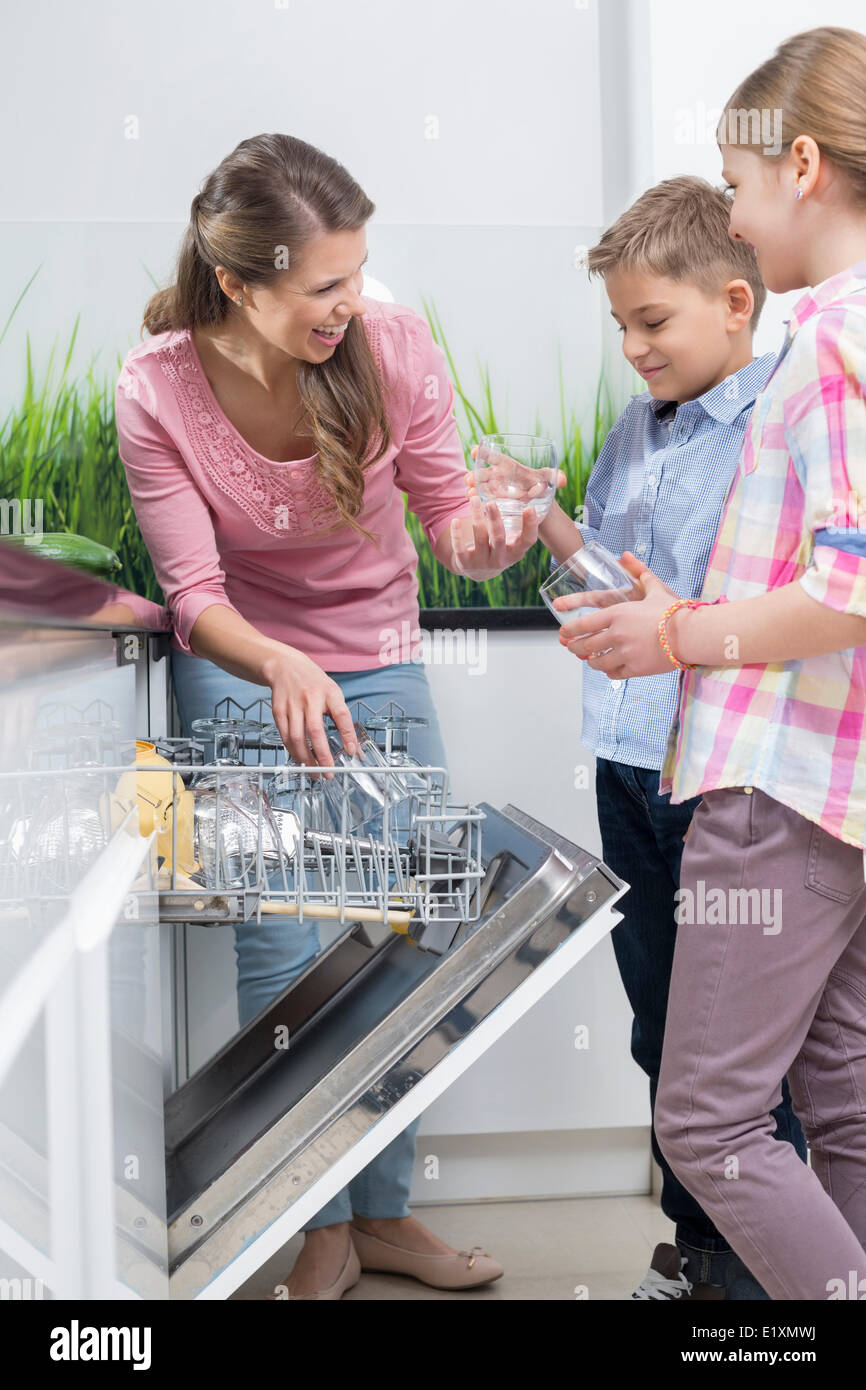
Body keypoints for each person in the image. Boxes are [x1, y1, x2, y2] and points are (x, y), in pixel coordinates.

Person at [114, 132, 534, 1300]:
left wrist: (488, 540)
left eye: (356, 273)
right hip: (247, 666)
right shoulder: (156, 387)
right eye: (321, 287)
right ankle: (315, 1222)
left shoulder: (392, 347)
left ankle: (383, 1213)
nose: (351, 303)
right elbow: (194, 597)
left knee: (414, 924)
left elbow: (450, 520)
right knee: (283, 941)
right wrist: (280, 661)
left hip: (381, 657)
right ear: (238, 285)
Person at [559, 26, 866, 1300]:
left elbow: (851, 584)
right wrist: (682, 609)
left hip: (772, 786)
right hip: (826, 788)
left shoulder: (833, 342)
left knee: (707, 1122)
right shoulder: (830, 335)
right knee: (839, 1099)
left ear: (800, 165)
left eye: (735, 189)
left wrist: (678, 635)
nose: (733, 218)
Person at [527, 176, 807, 1300]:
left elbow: (786, 606)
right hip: (626, 764)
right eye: (621, 328)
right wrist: (539, 520)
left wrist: (669, 626)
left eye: (653, 322)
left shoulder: (781, 423)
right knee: (657, 1026)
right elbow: (614, 577)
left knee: (735, 1052)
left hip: (727, 774)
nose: (634, 349)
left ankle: (758, 1278)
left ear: (734, 302)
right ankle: (699, 1255)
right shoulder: (632, 430)